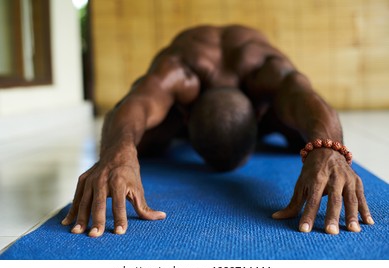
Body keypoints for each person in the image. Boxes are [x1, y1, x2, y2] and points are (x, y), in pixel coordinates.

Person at [61, 25, 374, 237]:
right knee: (146, 140)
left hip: (255, 92)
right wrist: (119, 152)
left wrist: (328, 150)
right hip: (191, 86)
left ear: (261, 114)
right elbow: (139, 102)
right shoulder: (181, 72)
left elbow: (305, 97)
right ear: (184, 115)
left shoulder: (265, 70)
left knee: (301, 135)